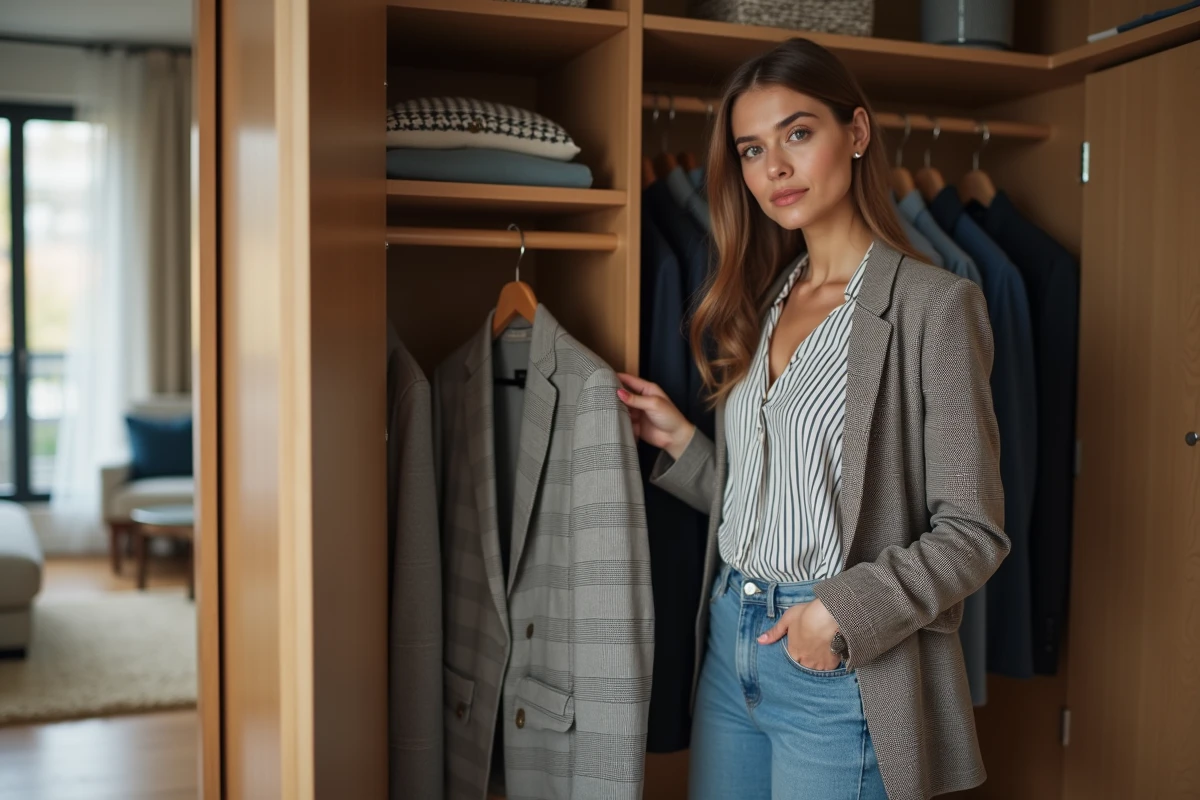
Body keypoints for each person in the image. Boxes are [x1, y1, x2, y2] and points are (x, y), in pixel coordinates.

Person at [617, 38, 1009, 800]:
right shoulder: (772, 297)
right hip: (733, 642)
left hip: (839, 658)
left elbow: (974, 531)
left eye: (799, 133)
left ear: (856, 133)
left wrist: (837, 614)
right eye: (753, 149)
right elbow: (792, 499)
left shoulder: (935, 305)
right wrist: (687, 446)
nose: (776, 169)